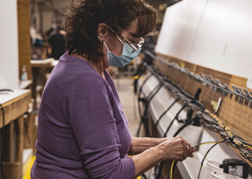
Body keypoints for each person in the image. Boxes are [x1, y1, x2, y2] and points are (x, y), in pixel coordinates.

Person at [31, 0, 194, 178]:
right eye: (132, 40)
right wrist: (162, 152)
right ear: (103, 32)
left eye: (140, 42)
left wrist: (165, 144)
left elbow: (118, 142)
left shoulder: (90, 68)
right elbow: (110, 174)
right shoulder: (84, 82)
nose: (136, 49)